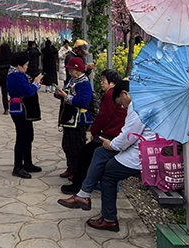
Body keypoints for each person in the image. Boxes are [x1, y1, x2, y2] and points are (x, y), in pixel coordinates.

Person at [58, 80, 155, 232]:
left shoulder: (137, 107)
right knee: (100, 152)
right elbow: (129, 134)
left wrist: (113, 145)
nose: (122, 106)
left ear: (125, 94)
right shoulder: (146, 100)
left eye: (121, 103)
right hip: (142, 147)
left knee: (108, 172)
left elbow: (130, 135)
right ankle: (84, 194)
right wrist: (112, 144)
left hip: (144, 154)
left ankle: (109, 219)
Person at [60, 71, 128, 195]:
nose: (101, 83)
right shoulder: (115, 93)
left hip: (111, 135)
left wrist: (94, 131)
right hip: (116, 133)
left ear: (112, 82)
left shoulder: (111, 94)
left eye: (103, 80)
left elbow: (103, 117)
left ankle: (79, 185)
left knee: (85, 152)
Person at [7, 48, 43, 179]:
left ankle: (27, 162)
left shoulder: (17, 74)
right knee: (22, 138)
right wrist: (37, 83)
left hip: (25, 110)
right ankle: (18, 166)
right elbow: (28, 91)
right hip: (20, 110)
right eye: (26, 65)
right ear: (19, 65)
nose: (27, 68)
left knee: (29, 136)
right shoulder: (15, 75)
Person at [55, 57, 93, 179]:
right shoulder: (71, 80)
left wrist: (67, 97)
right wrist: (59, 94)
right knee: (67, 145)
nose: (70, 72)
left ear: (78, 70)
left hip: (79, 120)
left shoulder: (84, 84)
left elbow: (84, 101)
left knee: (77, 146)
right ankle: (71, 167)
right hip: (68, 118)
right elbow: (66, 93)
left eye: (71, 70)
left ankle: (79, 171)